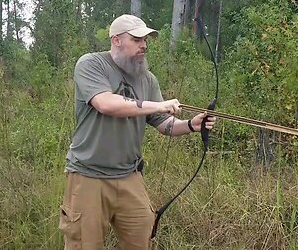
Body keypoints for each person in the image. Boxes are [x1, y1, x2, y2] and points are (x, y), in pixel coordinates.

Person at [58, 14, 216, 250]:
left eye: (146, 40)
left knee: (142, 238)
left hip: (129, 176)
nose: (144, 45)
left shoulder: (147, 79)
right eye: (137, 39)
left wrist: (192, 125)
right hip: (88, 176)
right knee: (84, 244)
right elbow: (106, 104)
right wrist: (160, 105)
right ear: (116, 40)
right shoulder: (91, 64)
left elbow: (164, 124)